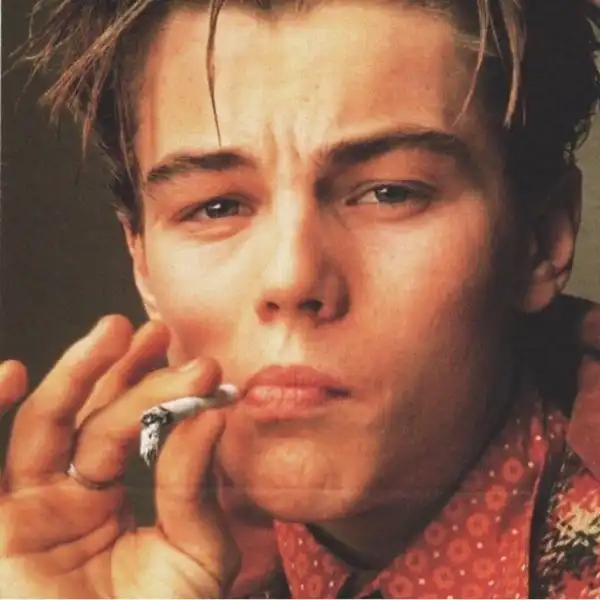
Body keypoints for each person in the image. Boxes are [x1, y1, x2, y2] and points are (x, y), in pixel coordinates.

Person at [1, 0, 600, 597]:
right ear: (143, 265)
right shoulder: (171, 563)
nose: (291, 280)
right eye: (217, 207)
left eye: (390, 193)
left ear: (541, 238)